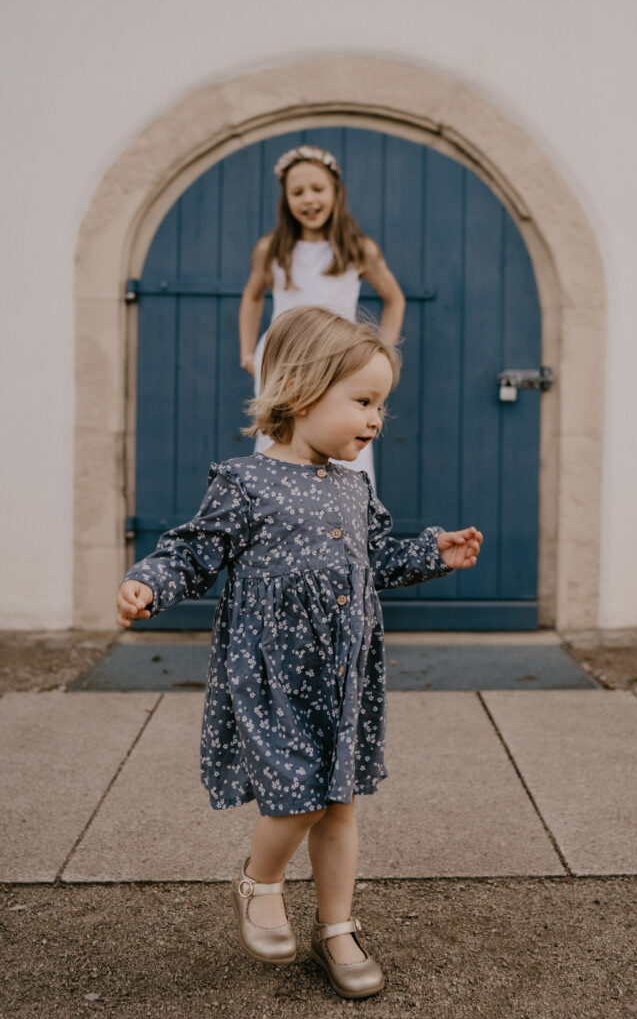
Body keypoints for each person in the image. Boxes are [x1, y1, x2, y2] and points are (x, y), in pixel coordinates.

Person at [117, 306, 482, 1000]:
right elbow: (194, 553)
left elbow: (375, 560)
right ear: (302, 392)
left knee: (337, 802)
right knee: (295, 798)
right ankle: (261, 883)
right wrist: (147, 584)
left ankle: (336, 927)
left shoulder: (354, 486)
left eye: (382, 403)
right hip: (272, 674)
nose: (376, 418)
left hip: (342, 676)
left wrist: (432, 554)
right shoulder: (245, 482)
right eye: (364, 401)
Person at [238, 144, 405, 487]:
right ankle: (277, 503)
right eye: (297, 192)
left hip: (340, 356)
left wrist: (380, 354)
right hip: (285, 355)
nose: (308, 199)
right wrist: (247, 351)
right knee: (281, 430)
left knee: (345, 426)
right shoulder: (271, 249)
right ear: (285, 199)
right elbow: (252, 297)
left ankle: (351, 509)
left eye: (317, 189)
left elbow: (394, 299)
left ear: (335, 193)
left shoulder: (358, 249)